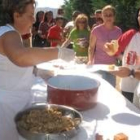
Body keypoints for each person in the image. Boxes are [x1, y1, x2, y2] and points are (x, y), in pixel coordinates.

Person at [0, 0, 75, 140]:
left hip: (14, 101)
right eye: (30, 15)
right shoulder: (9, 33)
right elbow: (20, 57)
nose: (34, 20)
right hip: (6, 108)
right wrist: (58, 52)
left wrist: (36, 71)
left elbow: (12, 65)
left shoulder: (8, 33)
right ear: (16, 15)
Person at [104, 8, 140, 102]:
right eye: (139, 15)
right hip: (129, 85)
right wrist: (109, 47)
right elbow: (114, 51)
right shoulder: (131, 34)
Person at [88, 5, 122, 87]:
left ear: (114, 17)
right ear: (102, 16)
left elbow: (118, 48)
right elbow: (91, 47)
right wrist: (90, 60)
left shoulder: (118, 31)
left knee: (110, 91)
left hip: (111, 67)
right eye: (105, 15)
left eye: (110, 15)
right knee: (98, 90)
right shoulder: (96, 30)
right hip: (98, 66)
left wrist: (122, 59)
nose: (108, 17)